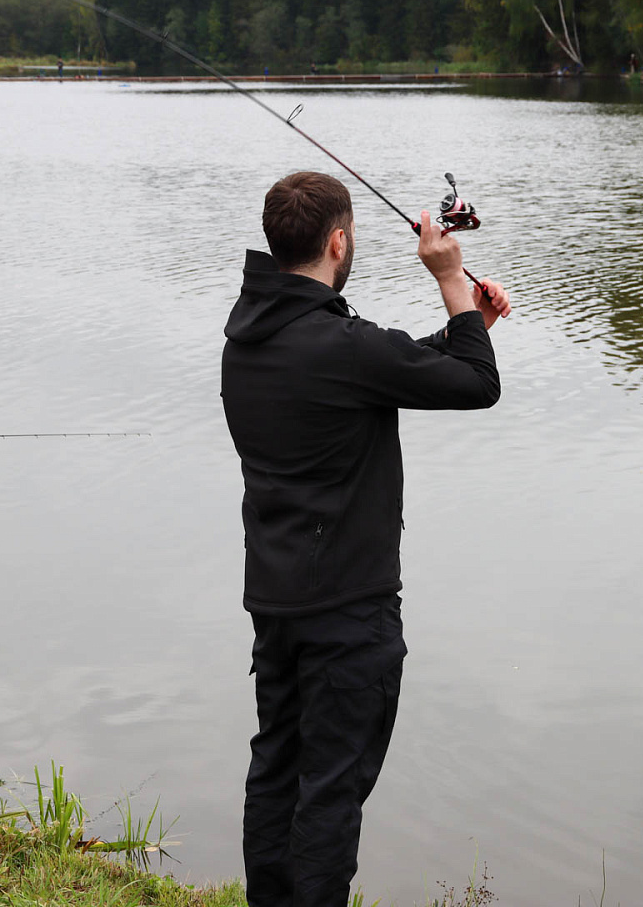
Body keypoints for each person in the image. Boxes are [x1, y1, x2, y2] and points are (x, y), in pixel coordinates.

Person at [220, 171, 510, 907]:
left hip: (278, 602)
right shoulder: (341, 347)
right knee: (331, 794)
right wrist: (451, 283)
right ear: (338, 241)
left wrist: (462, 327)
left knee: (278, 770)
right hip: (348, 612)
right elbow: (476, 384)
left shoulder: (249, 337)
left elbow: (362, 371)